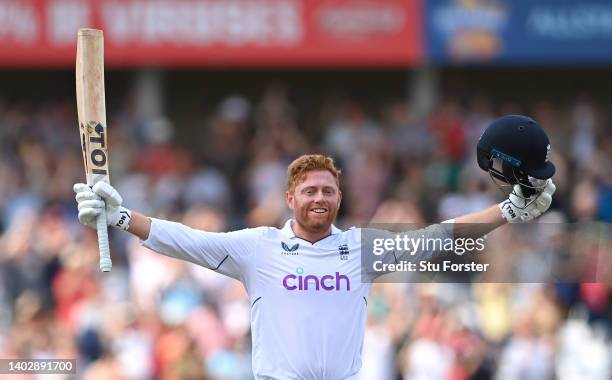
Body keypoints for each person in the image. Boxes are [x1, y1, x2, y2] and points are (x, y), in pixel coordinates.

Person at [74, 137, 555, 378]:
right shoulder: (257, 248)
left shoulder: (361, 249)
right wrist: (120, 217)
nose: (319, 197)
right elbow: (185, 239)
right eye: (309, 190)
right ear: (290, 198)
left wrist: (509, 210)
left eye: (328, 189)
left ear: (340, 197)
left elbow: (439, 235)